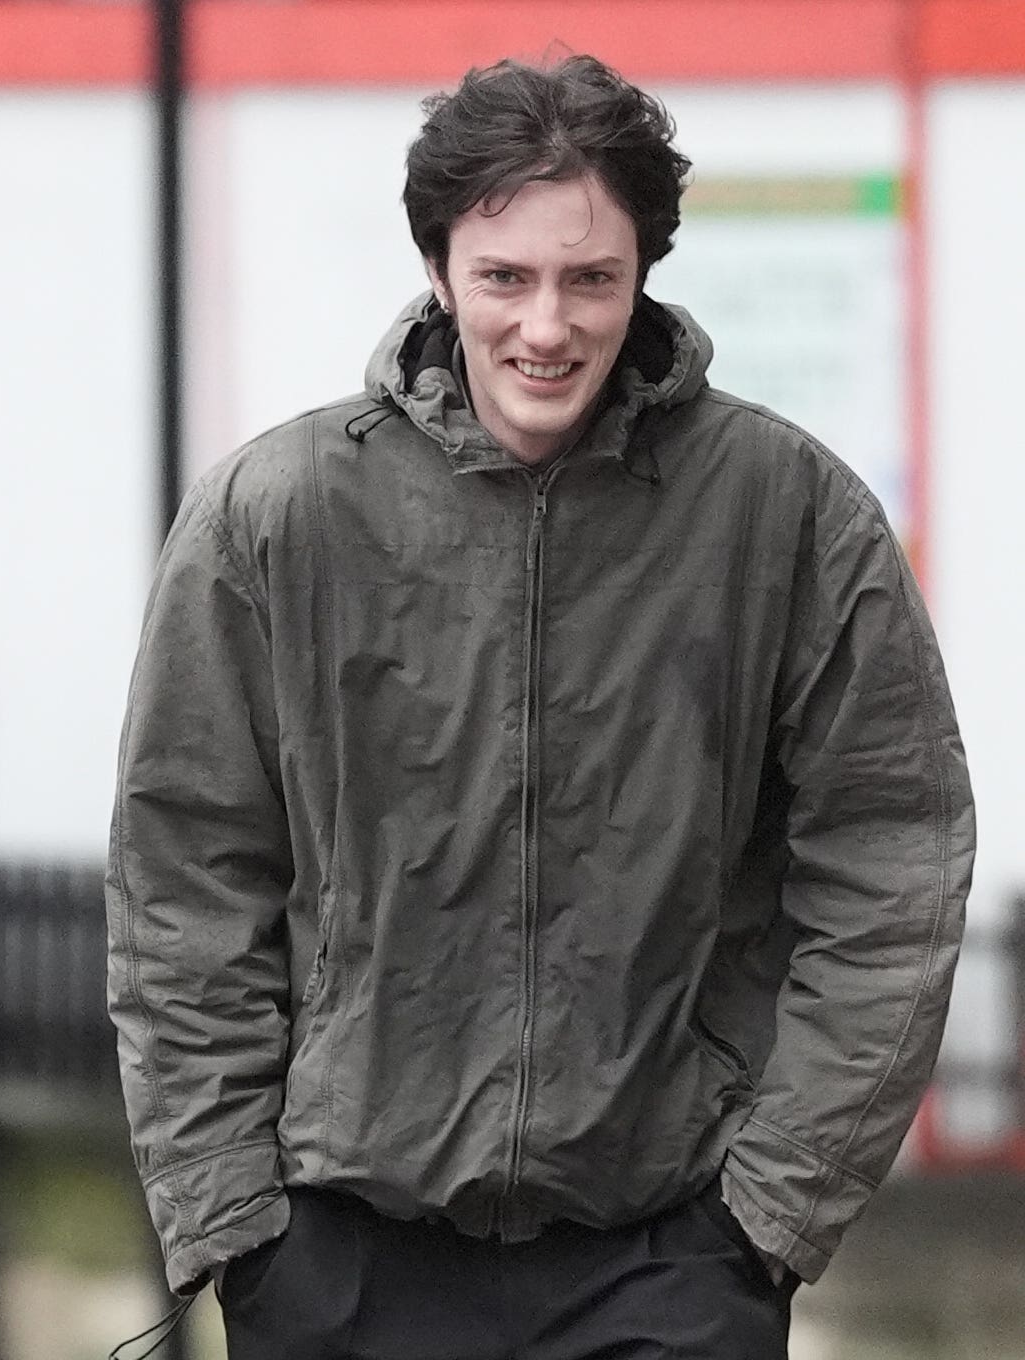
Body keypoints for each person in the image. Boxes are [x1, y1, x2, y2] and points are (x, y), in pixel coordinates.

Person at [106, 53, 973, 1360]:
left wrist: (771, 1212)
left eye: (591, 279)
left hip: (672, 1256)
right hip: (340, 1261)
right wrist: (234, 1223)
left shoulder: (787, 518)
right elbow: (188, 868)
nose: (547, 326)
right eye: (505, 276)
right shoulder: (274, 518)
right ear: (441, 264)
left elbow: (892, 853)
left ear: (645, 273)